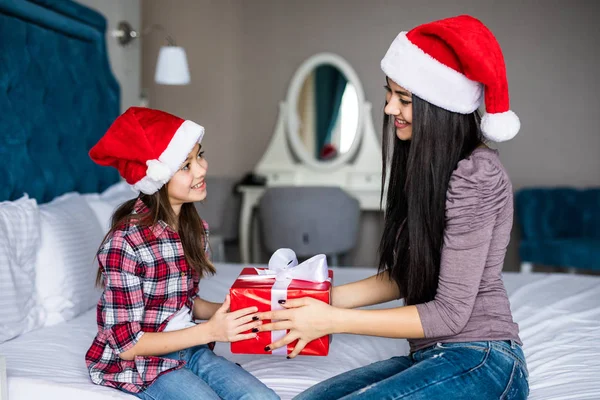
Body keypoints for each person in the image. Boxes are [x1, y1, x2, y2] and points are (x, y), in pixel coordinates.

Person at [258, 15, 528, 399]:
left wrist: (333, 320)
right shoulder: (427, 168)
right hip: (434, 354)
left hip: (483, 357)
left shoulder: (477, 175)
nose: (388, 109)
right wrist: (316, 300)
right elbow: (410, 275)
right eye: (390, 94)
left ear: (439, 107)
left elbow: (451, 313)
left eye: (403, 99)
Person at [85, 107, 279, 400]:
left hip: (190, 347)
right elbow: (127, 345)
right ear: (157, 179)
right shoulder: (125, 243)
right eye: (185, 165)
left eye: (199, 155)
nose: (202, 169)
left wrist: (233, 314)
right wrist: (212, 332)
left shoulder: (193, 228)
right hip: (141, 363)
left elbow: (184, 302)